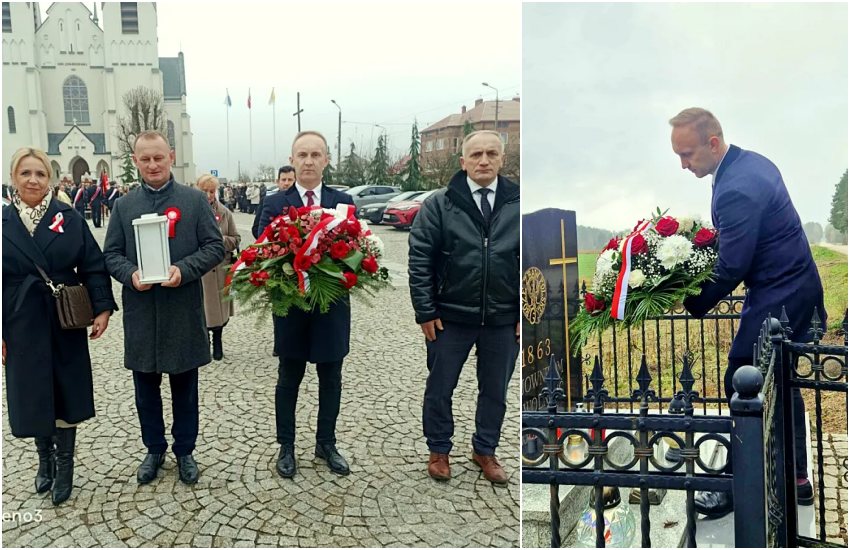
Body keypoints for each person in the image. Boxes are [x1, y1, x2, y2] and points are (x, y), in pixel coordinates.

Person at [671, 107, 825, 518]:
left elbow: (733, 264)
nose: (683, 164)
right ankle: (796, 480)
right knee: (784, 386)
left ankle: (743, 485)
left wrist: (691, 298)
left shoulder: (736, 185)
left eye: (687, 154)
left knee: (743, 380)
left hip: (782, 293)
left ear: (713, 143)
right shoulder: (748, 163)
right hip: (795, 286)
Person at [103, 130, 224, 486]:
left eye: (158, 158)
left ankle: (185, 450)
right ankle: (153, 448)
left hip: (182, 308)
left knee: (185, 388)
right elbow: (111, 254)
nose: (153, 165)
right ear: (136, 161)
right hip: (142, 310)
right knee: (145, 389)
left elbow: (214, 247)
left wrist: (183, 270)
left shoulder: (193, 200)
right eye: (145, 159)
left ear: (170, 156)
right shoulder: (124, 206)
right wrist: (131, 274)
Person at [2, 147, 117, 505]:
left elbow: (93, 265)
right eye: (26, 173)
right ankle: (45, 459)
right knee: (33, 390)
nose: (33, 179)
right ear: (13, 178)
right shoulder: (4, 222)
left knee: (66, 387)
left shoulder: (68, 218)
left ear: (49, 179)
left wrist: (102, 308)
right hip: (20, 320)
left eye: (39, 173)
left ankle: (65, 463)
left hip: (63, 317)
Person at [408, 130, 520, 485]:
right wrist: (425, 310)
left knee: (495, 392)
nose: (483, 160)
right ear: (463, 161)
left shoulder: (520, 202)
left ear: (502, 159)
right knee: (440, 387)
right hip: (450, 316)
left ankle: (485, 449)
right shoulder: (440, 203)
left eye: (490, 154)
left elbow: (536, 261)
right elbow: (420, 258)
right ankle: (439, 448)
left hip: (503, 318)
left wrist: (526, 311)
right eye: (476, 155)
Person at [258, 131, 355, 479]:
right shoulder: (274, 204)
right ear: (292, 159)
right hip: (291, 306)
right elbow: (262, 253)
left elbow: (356, 252)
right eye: (303, 155)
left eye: (316, 154)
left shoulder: (343, 201)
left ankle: (326, 443)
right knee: (289, 377)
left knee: (331, 378)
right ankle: (286, 446)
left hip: (332, 307)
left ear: (327, 160)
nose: (309, 161)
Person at [196, 173, 241, 361]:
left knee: (220, 312)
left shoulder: (225, 213)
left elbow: (236, 239)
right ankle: (203, 344)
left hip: (220, 267)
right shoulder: (193, 211)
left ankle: (218, 342)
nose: (208, 195)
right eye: (204, 191)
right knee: (203, 310)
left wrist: (220, 241)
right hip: (201, 270)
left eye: (212, 191)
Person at [253, 165, 296, 239]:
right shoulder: (268, 201)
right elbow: (256, 228)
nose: (286, 183)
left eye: (290, 180)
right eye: (283, 180)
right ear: (278, 182)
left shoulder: (300, 199)